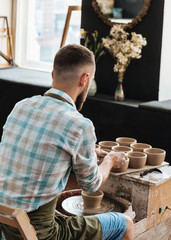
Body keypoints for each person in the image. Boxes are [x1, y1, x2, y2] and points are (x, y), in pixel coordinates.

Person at [0, 44, 133, 240]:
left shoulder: (21, 106)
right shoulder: (79, 125)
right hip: (38, 233)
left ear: (53, 74)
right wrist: (110, 161)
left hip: (6, 223)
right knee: (126, 224)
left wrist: (85, 153)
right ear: (85, 79)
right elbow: (91, 185)